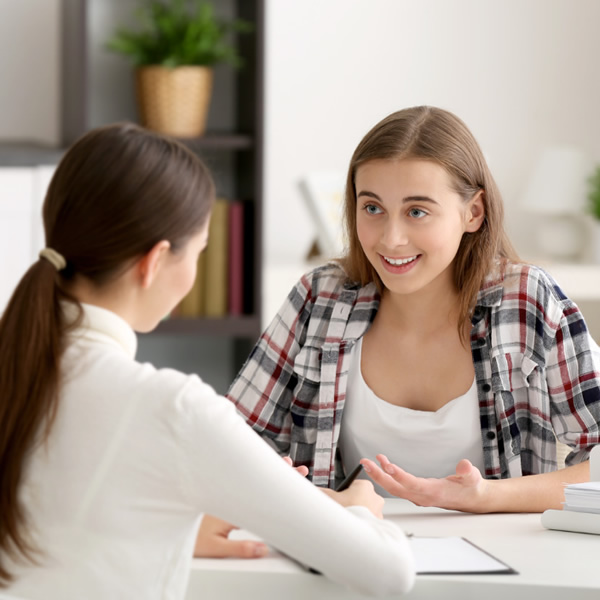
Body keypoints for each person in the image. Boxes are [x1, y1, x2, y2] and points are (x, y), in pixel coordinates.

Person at [0, 123, 415, 599]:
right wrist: (360, 506)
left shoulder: (24, 367)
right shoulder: (172, 410)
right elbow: (389, 572)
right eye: (198, 252)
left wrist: (182, 519)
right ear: (155, 262)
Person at [228, 105, 600, 514]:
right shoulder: (320, 299)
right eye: (372, 208)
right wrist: (310, 496)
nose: (391, 238)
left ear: (472, 213)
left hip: (506, 562)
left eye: (417, 211)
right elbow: (229, 446)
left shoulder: (527, 299)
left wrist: (486, 497)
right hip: (354, 559)